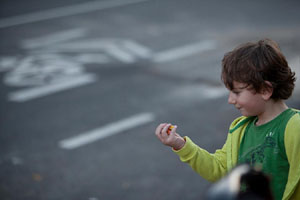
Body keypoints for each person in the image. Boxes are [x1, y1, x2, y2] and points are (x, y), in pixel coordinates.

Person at [155, 39, 300, 200]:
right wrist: (181, 145)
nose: (230, 100)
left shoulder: (294, 127)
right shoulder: (240, 129)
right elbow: (220, 170)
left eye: (237, 92)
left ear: (265, 90)